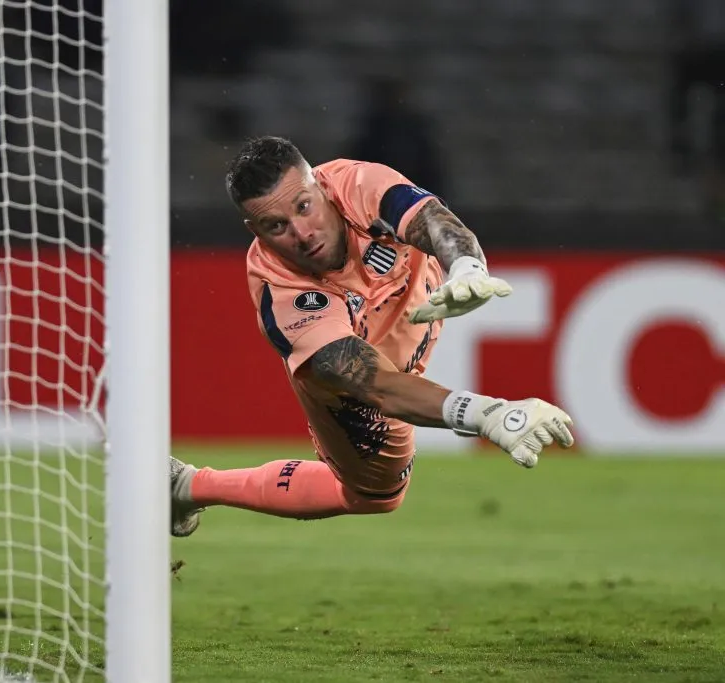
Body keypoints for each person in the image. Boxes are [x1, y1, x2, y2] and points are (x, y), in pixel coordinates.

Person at [169, 136, 574, 537]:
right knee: (375, 496)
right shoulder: (283, 293)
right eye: (277, 226)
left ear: (318, 185)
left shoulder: (357, 184)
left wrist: (467, 267)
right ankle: (188, 485)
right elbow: (376, 386)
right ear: (253, 229)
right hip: (360, 376)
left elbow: (432, 218)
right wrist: (486, 414)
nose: (302, 233)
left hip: (407, 316)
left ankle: (184, 486)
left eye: (304, 207)